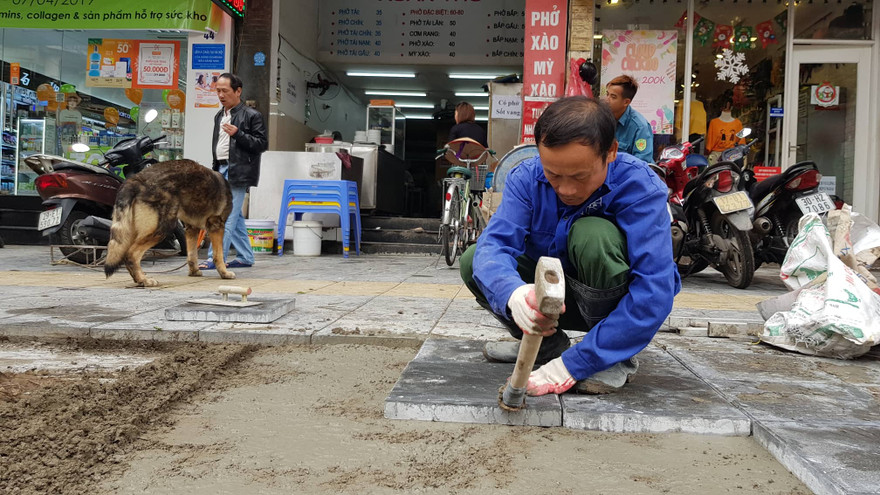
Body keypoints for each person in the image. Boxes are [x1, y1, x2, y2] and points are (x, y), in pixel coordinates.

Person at [460, 96, 680, 395]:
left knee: (593, 235)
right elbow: (494, 245)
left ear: (611, 152)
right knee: (474, 261)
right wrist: (513, 293)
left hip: (610, 307)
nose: (566, 189)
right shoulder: (525, 178)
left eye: (580, 176)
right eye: (553, 174)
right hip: (552, 305)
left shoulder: (639, 187)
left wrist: (574, 365)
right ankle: (545, 345)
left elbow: (655, 290)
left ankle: (610, 356)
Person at [199, 73, 268, 270]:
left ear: (238, 91)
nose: (220, 95)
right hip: (220, 168)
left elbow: (261, 144)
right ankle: (246, 256)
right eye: (218, 91)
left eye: (225, 91)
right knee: (234, 217)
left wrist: (238, 134)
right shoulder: (219, 115)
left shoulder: (252, 115)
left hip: (239, 170)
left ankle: (215, 258)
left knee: (225, 215)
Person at [604, 75, 653, 163]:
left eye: (613, 97)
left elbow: (641, 164)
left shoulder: (640, 127)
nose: (607, 99)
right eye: (607, 94)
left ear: (626, 102)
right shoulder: (602, 118)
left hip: (627, 175)